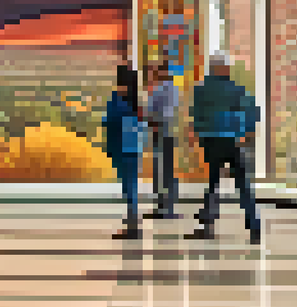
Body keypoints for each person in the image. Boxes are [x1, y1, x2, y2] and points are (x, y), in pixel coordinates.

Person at [187, 52, 261, 244]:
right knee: (243, 185)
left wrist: (198, 135)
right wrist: (247, 134)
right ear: (224, 68)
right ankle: (254, 226)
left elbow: (195, 116)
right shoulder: (237, 89)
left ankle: (208, 225)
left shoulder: (200, 89)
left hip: (212, 141)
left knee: (213, 184)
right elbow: (252, 112)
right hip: (234, 141)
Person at [104, 64, 144, 239]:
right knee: (131, 187)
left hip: (122, 148)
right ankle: (132, 225)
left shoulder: (118, 102)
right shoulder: (135, 104)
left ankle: (132, 227)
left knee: (129, 189)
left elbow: (110, 122)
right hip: (133, 148)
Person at [144, 62, 180, 220]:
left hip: (160, 131)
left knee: (161, 171)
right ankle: (168, 206)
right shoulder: (172, 89)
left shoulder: (161, 89)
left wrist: (149, 119)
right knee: (167, 171)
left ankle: (163, 207)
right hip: (169, 132)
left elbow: (153, 112)